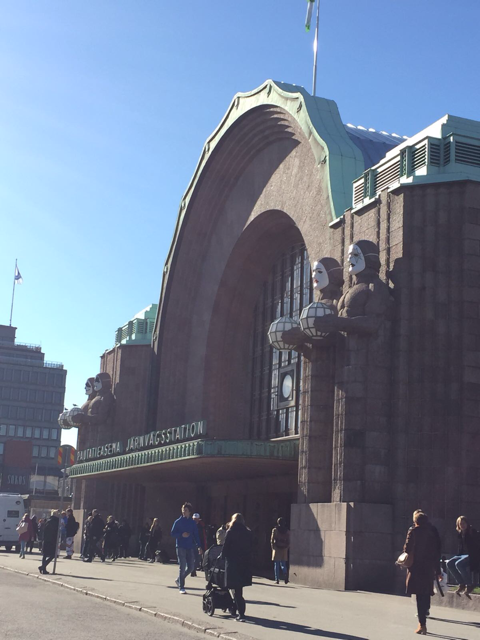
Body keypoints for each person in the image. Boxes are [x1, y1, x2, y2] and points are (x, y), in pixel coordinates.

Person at [402, 511, 441, 635]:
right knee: (425, 592)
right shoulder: (432, 532)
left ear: (416, 521)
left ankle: (422, 624)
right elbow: (437, 551)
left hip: (417, 567)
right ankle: (425, 612)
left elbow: (407, 549)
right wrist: (438, 569)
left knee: (419, 595)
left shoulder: (414, 531)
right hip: (429, 567)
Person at [223, 513, 253, 622]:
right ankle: (236, 609)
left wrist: (222, 557)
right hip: (245, 564)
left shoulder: (230, 532)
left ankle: (241, 614)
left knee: (236, 589)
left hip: (233, 564)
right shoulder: (248, 532)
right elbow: (252, 546)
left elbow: (225, 548)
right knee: (239, 588)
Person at [171, 502, 202, 594]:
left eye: (186, 510)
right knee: (182, 566)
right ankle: (182, 587)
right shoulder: (178, 522)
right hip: (180, 546)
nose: (184, 512)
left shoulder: (192, 523)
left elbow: (196, 535)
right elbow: (172, 533)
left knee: (191, 567)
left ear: (189, 512)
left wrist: (199, 546)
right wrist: (181, 535)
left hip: (189, 547)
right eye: (183, 510)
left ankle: (179, 579)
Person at [446, 516, 480, 596]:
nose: (462, 525)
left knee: (459, 564)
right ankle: (461, 584)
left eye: (464, 523)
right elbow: (460, 548)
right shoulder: (460, 534)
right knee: (449, 563)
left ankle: (469, 584)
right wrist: (458, 555)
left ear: (467, 524)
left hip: (472, 555)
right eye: (461, 524)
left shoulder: (472, 532)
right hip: (462, 555)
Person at [38, 510, 60, 575]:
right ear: (56, 515)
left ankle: (43, 569)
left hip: (46, 540)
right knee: (53, 555)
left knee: (45, 555)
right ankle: (42, 567)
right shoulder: (56, 521)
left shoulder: (47, 520)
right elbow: (56, 532)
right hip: (52, 540)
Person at [271, 517, 290, 584]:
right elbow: (289, 541)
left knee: (276, 564)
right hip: (284, 549)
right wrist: (286, 548)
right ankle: (285, 574)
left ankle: (277, 579)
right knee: (283, 563)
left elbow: (272, 540)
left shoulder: (275, 530)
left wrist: (273, 548)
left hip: (277, 548)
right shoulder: (287, 531)